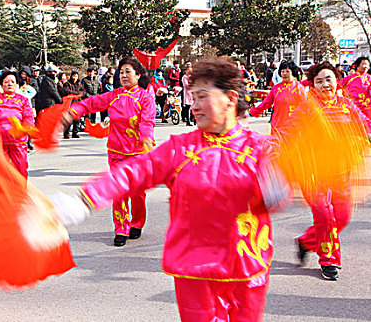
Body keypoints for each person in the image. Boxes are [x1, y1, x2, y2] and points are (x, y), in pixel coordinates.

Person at [54, 57, 287, 320]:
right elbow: (134, 171)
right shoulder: (180, 149)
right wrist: (85, 200)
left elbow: (279, 198)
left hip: (246, 265)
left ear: (230, 99)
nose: (194, 106)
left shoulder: (260, 149)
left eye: (202, 97)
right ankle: (124, 226)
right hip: (194, 268)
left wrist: (277, 189)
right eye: (193, 98)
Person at [279, 62, 371, 281]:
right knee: (324, 215)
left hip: (341, 170)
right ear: (312, 85)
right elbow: (287, 132)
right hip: (313, 172)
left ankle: (306, 241)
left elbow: (365, 124)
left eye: (328, 79)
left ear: (336, 81)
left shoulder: (347, 105)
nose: (324, 84)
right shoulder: (307, 108)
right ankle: (329, 260)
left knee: (343, 217)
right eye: (318, 81)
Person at [68, 57, 155, 247]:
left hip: (137, 153)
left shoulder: (145, 97)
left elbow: (147, 121)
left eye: (128, 72)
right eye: (121, 72)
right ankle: (121, 228)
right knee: (119, 192)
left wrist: (146, 137)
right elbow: (92, 103)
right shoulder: (114, 95)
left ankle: (137, 223)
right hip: (116, 151)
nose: (123, 75)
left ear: (138, 75)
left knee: (137, 193)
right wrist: (74, 111)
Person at [0, 71, 34, 178]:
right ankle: (2, 193)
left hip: (18, 140)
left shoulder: (23, 100)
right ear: (1, 85)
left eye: (12, 82)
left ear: (16, 85)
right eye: (6, 82)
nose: (9, 84)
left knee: (20, 168)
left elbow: (28, 117)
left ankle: (20, 192)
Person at [249, 61, 307, 135]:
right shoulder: (276, 88)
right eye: (282, 71)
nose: (285, 74)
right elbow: (266, 103)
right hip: (278, 124)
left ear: (293, 72)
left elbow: (304, 107)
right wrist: (253, 112)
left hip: (294, 125)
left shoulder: (299, 88)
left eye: (287, 71)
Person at [61, 71, 86, 139]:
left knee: (77, 118)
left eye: (76, 76)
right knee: (68, 119)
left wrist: (79, 94)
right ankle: (66, 133)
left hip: (77, 103)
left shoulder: (79, 83)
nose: (74, 78)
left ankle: (75, 132)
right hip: (69, 102)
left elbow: (83, 91)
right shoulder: (67, 83)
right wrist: (76, 93)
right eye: (73, 76)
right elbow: (66, 91)